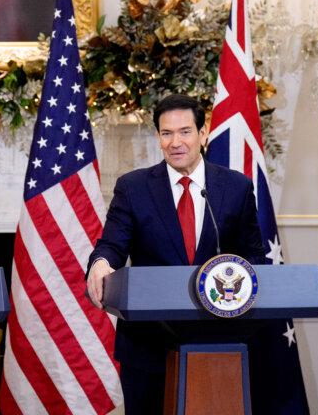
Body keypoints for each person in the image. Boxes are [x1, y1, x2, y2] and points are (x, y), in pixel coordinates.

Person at [85, 93, 266, 413]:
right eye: (166, 133)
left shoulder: (236, 187)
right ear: (158, 137)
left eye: (185, 131)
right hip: (148, 343)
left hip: (218, 342)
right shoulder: (133, 187)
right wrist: (101, 264)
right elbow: (112, 245)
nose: (175, 142)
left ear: (203, 133)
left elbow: (254, 257)